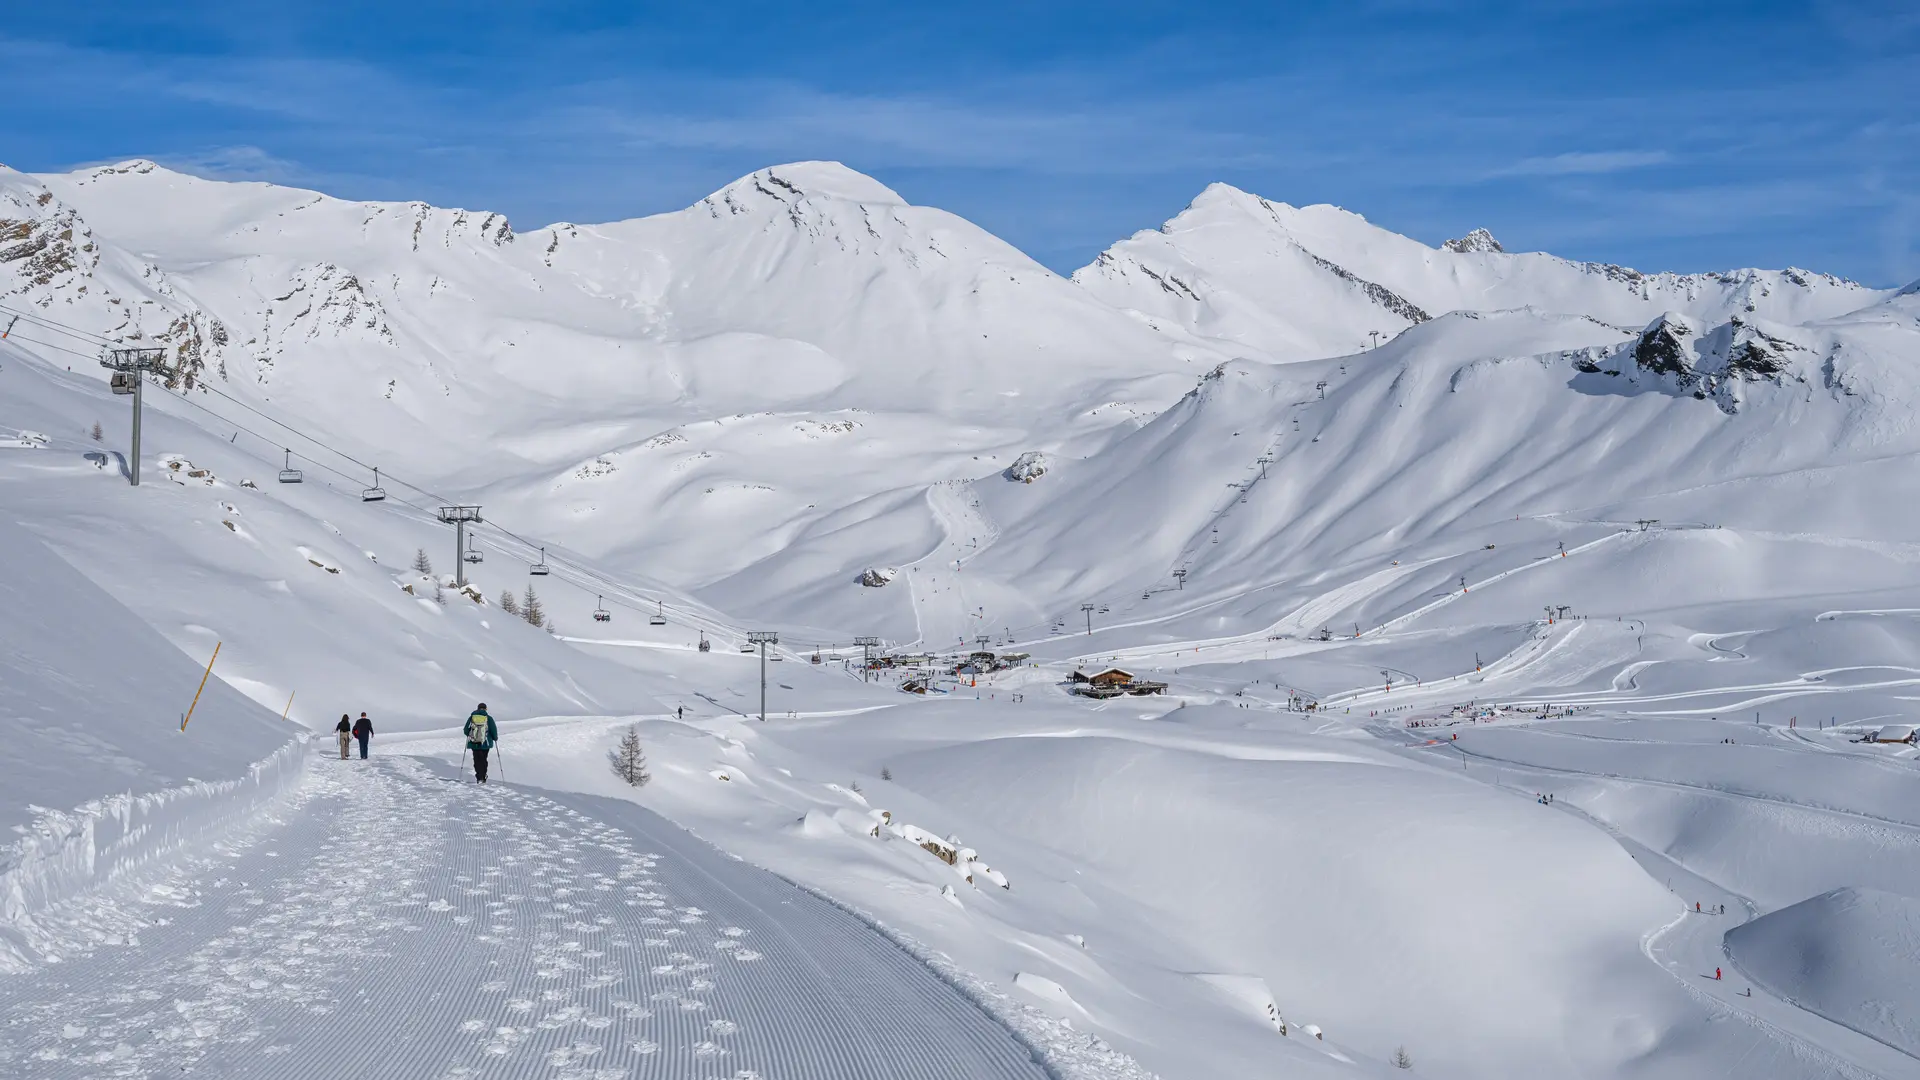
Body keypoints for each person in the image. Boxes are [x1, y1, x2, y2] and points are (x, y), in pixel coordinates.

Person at [465, 702, 498, 783]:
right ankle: (483, 776)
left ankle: (478, 776)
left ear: (478, 708)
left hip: (474, 743)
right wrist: (495, 738)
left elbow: (466, 729)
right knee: (483, 759)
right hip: (485, 743)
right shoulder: (489, 718)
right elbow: (493, 730)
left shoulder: (472, 717)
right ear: (485, 709)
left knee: (477, 759)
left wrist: (470, 735)